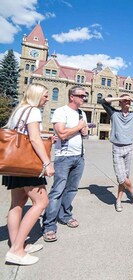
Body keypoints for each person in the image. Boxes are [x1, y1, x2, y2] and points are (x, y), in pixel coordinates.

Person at [3, 84, 54, 265]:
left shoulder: (20, 109)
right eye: (46, 96)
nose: (47, 99)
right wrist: (47, 162)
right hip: (27, 165)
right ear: (37, 95)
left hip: (14, 162)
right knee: (41, 202)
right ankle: (17, 251)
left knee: (17, 204)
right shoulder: (33, 111)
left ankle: (17, 243)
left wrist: (46, 136)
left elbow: (24, 134)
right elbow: (33, 138)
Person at [42, 85, 88, 242]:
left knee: (72, 189)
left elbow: (84, 132)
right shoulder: (61, 111)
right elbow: (61, 134)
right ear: (72, 97)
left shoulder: (82, 113)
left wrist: (84, 130)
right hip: (64, 157)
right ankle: (49, 225)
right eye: (81, 96)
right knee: (57, 191)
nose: (84, 98)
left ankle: (65, 215)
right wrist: (79, 127)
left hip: (79, 156)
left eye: (85, 95)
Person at [100, 94, 133, 212]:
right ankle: (132, 190)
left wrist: (132, 99)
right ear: (120, 103)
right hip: (117, 148)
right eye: (125, 100)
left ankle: (118, 200)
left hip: (129, 148)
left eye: (129, 101)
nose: (127, 102)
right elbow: (102, 101)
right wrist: (120, 98)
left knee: (125, 176)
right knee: (120, 177)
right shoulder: (114, 114)